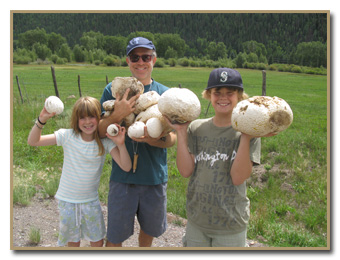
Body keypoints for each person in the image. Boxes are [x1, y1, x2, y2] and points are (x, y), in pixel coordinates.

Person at [166, 68, 275, 247]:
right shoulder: (197, 128)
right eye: (217, 92)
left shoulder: (249, 133)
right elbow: (185, 171)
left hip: (231, 223)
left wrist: (246, 135)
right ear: (209, 95)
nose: (223, 97)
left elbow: (238, 177)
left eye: (230, 93)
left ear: (239, 96)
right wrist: (181, 132)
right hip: (197, 219)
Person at [98, 37, 177, 247]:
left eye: (146, 56)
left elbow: (173, 139)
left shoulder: (165, 94)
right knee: (115, 237)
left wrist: (154, 140)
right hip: (122, 178)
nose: (140, 62)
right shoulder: (113, 90)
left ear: (154, 59)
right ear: (127, 60)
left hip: (153, 177)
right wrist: (118, 115)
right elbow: (98, 131)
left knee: (148, 233)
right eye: (135, 57)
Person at [27, 96, 131, 247]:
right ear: (76, 120)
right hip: (67, 201)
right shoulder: (67, 136)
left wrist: (121, 145)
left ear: (99, 118)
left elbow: (126, 166)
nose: (87, 122)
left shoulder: (105, 142)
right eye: (82, 118)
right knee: (72, 241)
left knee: (97, 240)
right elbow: (33, 141)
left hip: (91, 201)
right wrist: (41, 120)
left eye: (92, 117)